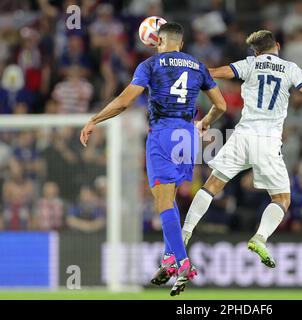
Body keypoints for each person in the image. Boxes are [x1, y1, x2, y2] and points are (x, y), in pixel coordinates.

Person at [181, 30, 302, 268]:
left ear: (255, 51)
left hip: (242, 135)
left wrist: (186, 68)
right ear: (277, 46)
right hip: (268, 139)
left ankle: (185, 233)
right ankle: (260, 237)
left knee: (212, 185)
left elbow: (216, 73)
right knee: (282, 198)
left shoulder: (249, 63)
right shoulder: (290, 69)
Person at [79, 22, 226, 296]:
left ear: (158, 42)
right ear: (180, 43)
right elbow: (222, 105)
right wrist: (204, 123)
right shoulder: (197, 65)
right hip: (188, 136)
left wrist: (95, 119)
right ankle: (169, 259)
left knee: (161, 202)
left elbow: (124, 101)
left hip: (163, 133)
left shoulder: (151, 65)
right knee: (169, 199)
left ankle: (183, 264)